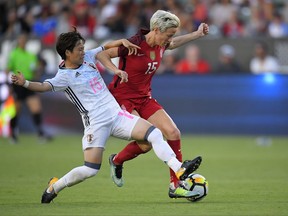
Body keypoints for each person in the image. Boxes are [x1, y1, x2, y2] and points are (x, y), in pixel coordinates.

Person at [11, 28, 202, 204]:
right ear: (68, 53)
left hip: (118, 116)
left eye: (83, 47)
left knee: (154, 134)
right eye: (79, 49)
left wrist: (123, 42)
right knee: (90, 170)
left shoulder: (88, 57)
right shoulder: (63, 77)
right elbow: (44, 86)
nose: (83, 51)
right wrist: (25, 83)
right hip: (96, 125)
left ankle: (179, 169)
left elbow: (106, 47)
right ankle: (55, 185)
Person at [96, 10, 208, 199]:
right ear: (156, 30)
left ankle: (175, 185)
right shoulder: (134, 44)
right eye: (169, 34)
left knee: (173, 133)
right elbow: (102, 55)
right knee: (147, 141)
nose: (170, 39)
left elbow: (172, 44)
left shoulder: (162, 44)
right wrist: (115, 70)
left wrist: (197, 34)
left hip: (144, 98)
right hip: (122, 97)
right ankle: (116, 161)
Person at [6, 33, 51, 143]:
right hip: (17, 85)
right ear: (18, 41)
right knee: (16, 110)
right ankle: (12, 134)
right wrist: (9, 85)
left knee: (36, 108)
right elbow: (8, 70)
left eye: (24, 40)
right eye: (21, 40)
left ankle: (40, 134)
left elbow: (36, 71)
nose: (23, 42)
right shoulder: (14, 54)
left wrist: (40, 67)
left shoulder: (31, 55)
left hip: (28, 83)